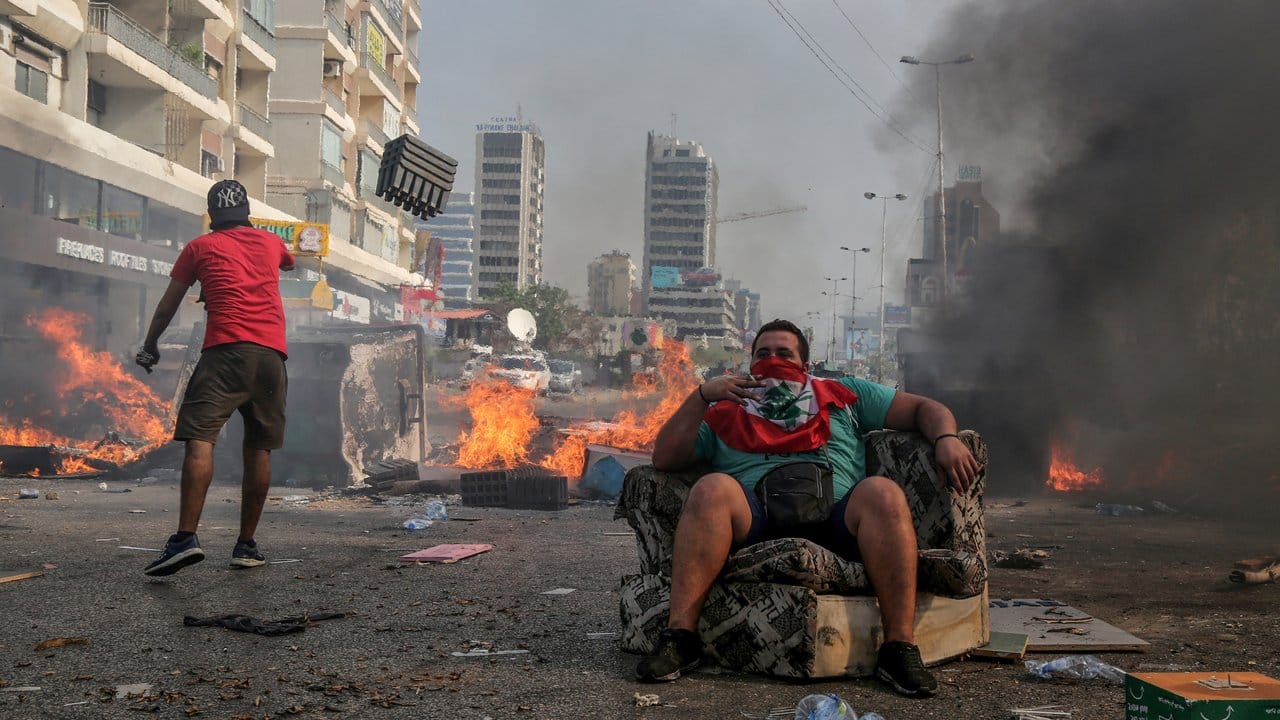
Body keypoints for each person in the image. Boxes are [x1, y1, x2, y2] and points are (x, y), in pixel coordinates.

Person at [635, 319, 979, 697]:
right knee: (711, 488)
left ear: (805, 365)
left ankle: (899, 649)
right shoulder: (726, 407)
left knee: (883, 492)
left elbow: (925, 408)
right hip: (756, 517)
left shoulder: (843, 394)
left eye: (784, 354)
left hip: (837, 515)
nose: (773, 361)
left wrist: (946, 437)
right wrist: (701, 396)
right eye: (763, 354)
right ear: (750, 365)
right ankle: (679, 639)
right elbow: (664, 457)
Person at [135, 179, 295, 577]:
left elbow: (167, 305)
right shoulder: (271, 242)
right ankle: (246, 545)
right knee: (259, 447)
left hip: (225, 351)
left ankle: (185, 538)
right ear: (246, 213)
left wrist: (150, 344)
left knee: (200, 438)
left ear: (212, 216)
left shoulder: (198, 247)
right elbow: (287, 263)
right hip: (271, 355)